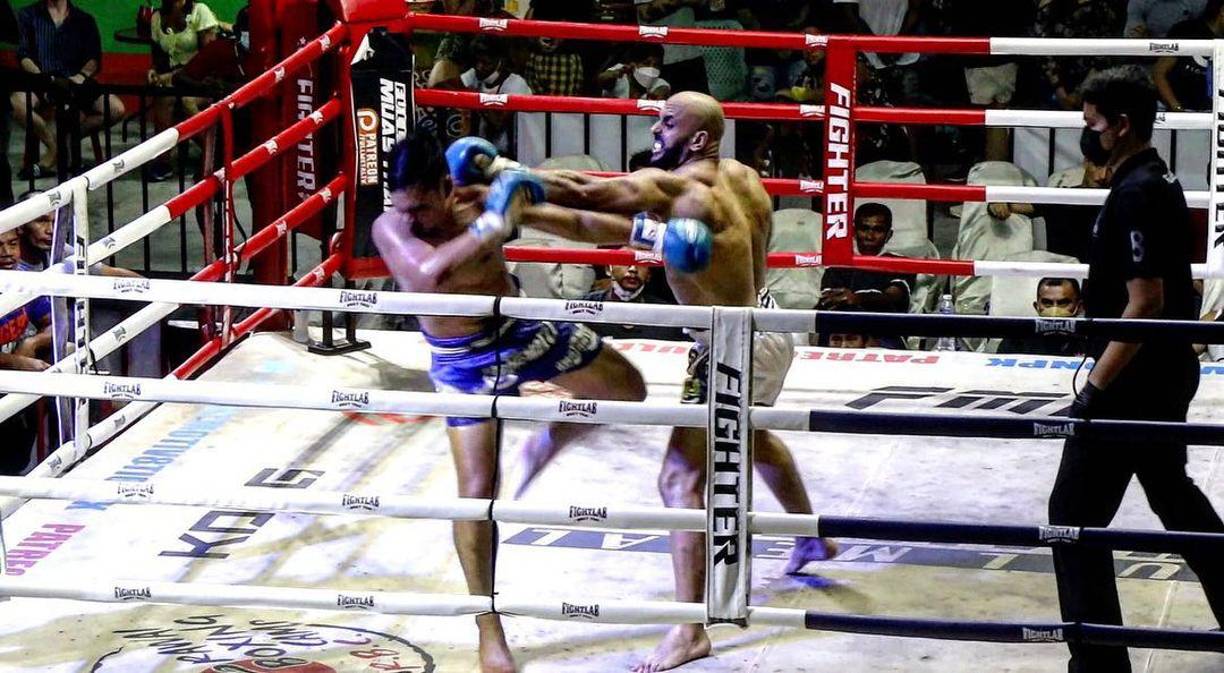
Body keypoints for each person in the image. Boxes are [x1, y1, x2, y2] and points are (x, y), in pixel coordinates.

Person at [507, 91, 837, 672]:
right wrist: (524, 211)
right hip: (765, 326)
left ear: (699, 138)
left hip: (732, 345)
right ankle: (812, 537)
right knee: (748, 436)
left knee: (680, 480)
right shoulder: (742, 179)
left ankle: (690, 629)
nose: (656, 131)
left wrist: (508, 175)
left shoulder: (682, 191)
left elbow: (586, 194)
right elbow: (600, 222)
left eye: (667, 123)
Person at [371, 129, 649, 673]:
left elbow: (575, 220)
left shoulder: (480, 197)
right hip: (462, 362)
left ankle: (551, 438)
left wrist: (652, 236)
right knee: (477, 496)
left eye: (422, 207)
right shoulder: (391, 226)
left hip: (519, 330)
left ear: (447, 185)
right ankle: (488, 627)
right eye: (405, 209)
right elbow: (426, 277)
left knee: (628, 389)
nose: (414, 221)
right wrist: (492, 226)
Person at [1051, 65, 1224, 672]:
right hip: (1160, 371)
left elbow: (1145, 300)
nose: (1087, 133)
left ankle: (1098, 666)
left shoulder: (1137, 191)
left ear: (1121, 125)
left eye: (1093, 123)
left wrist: (1095, 389)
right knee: (1174, 499)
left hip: (1134, 381)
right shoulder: (1157, 178)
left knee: (1072, 518)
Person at [11, 0, 124, 179]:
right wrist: (44, 79)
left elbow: (93, 59)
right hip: (41, 79)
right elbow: (23, 55)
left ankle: (68, 140)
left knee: (116, 109)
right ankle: (54, 147)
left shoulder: (84, 19)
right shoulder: (27, 15)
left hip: (75, 81)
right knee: (15, 104)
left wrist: (80, 77)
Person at [146, 0, 221, 181]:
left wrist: (173, 75)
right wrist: (154, 71)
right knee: (164, 98)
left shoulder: (200, 11)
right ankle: (163, 161)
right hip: (175, 79)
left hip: (201, 78)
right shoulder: (157, 17)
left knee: (187, 101)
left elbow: (208, 58)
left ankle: (216, 152)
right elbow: (158, 56)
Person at [819, 203, 914, 316]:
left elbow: (892, 297)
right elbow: (830, 300)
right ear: (854, 231)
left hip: (883, 324)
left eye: (878, 230)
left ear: (889, 235)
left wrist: (857, 298)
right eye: (864, 229)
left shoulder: (902, 264)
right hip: (843, 324)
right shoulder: (838, 264)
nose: (870, 236)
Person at [1044, 126, 1111, 262]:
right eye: (1097, 165)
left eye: (1110, 168)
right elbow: (1019, 204)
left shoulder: (1120, 204)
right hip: (1063, 273)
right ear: (1086, 162)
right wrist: (1001, 202)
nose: (1102, 175)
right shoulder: (1062, 198)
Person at [581, 252, 684, 341]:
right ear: (608, 269)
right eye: (624, 261)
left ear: (649, 274)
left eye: (641, 264)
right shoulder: (582, 307)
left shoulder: (667, 315)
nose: (633, 269)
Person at [1153, 0, 1222, 112]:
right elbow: (1159, 72)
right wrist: (1176, 107)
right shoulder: (1187, 30)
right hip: (1180, 108)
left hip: (1214, 112)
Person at [997, 277, 1085, 356]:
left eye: (1063, 303)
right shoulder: (1016, 342)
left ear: (1079, 306)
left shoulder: (1088, 342)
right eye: (1047, 303)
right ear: (1037, 307)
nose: (1054, 310)